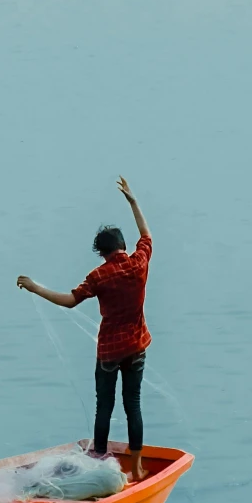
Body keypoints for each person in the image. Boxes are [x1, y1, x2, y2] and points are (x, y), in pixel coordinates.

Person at [17, 177, 153, 477]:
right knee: (133, 405)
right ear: (122, 247)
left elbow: (69, 301)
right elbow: (146, 234)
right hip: (137, 346)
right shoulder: (139, 263)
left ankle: (100, 459)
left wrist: (35, 288)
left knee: (104, 405)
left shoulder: (99, 276)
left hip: (109, 351)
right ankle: (139, 466)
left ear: (101, 253)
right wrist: (133, 202)